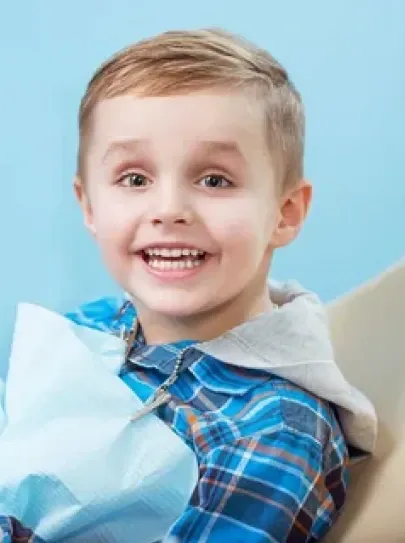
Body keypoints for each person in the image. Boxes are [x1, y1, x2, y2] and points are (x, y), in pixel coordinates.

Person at [0, 28, 377, 543]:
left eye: (214, 179)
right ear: (89, 207)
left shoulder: (275, 433)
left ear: (284, 214)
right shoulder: (90, 328)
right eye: (135, 179)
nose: (169, 210)